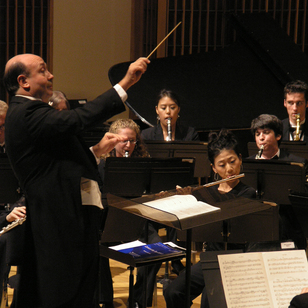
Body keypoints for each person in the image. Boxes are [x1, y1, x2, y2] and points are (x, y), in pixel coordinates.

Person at [2, 53, 149, 308]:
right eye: (43, 71)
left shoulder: (31, 112)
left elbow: (56, 168)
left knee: (76, 292)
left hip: (66, 219)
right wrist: (124, 83)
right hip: (56, 223)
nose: (51, 76)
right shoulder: (25, 112)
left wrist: (94, 153)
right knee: (61, 295)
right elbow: (77, 119)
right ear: (23, 81)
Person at [164, 129, 256, 308]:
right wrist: (185, 200)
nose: (229, 169)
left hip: (235, 259)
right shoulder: (207, 193)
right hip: (210, 258)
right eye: (222, 165)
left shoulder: (248, 193)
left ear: (240, 159)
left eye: (232, 161)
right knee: (173, 291)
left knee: (209, 299)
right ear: (213, 168)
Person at [133, 90, 199, 307]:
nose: (168, 112)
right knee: (152, 240)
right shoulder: (148, 136)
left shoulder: (189, 134)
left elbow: (195, 169)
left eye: (172, 107)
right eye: (163, 108)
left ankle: (176, 266)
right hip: (153, 198)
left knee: (180, 219)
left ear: (178, 110)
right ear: (156, 111)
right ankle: (143, 297)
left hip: (179, 195)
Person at [97, 119, 149, 308]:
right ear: (113, 141)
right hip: (107, 221)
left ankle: (137, 298)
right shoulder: (101, 166)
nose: (128, 145)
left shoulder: (142, 165)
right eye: (124, 140)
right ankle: (105, 300)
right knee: (96, 247)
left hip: (134, 220)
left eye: (133, 141)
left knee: (156, 247)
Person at [247, 114, 307, 250]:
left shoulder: (297, 163)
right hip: (258, 229)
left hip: (289, 229)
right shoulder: (247, 164)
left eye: (266, 133)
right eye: (257, 134)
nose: (261, 138)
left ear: (278, 136)